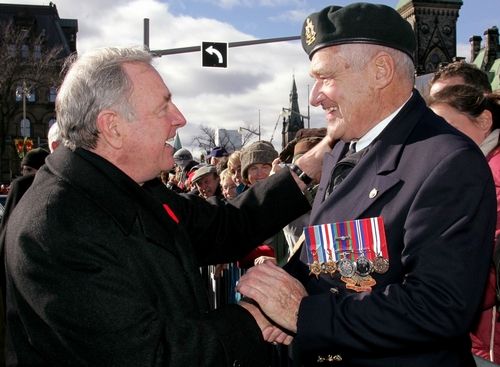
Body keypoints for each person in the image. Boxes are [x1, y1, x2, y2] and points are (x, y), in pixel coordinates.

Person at [2, 46, 316, 366]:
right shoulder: (58, 227)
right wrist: (251, 318)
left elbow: (224, 227)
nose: (179, 119)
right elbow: (147, 357)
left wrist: (307, 169)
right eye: (163, 107)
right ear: (113, 127)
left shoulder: (131, 187)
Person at [236, 3, 496, 366]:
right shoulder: (344, 148)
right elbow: (328, 254)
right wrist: (273, 296)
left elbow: (438, 307)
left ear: (380, 71)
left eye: (326, 77)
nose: (315, 96)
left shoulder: (447, 162)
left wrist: (303, 313)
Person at [428, 85, 500, 366]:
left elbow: (478, 276)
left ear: (483, 121)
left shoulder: (488, 176)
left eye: (444, 126)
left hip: (489, 343)